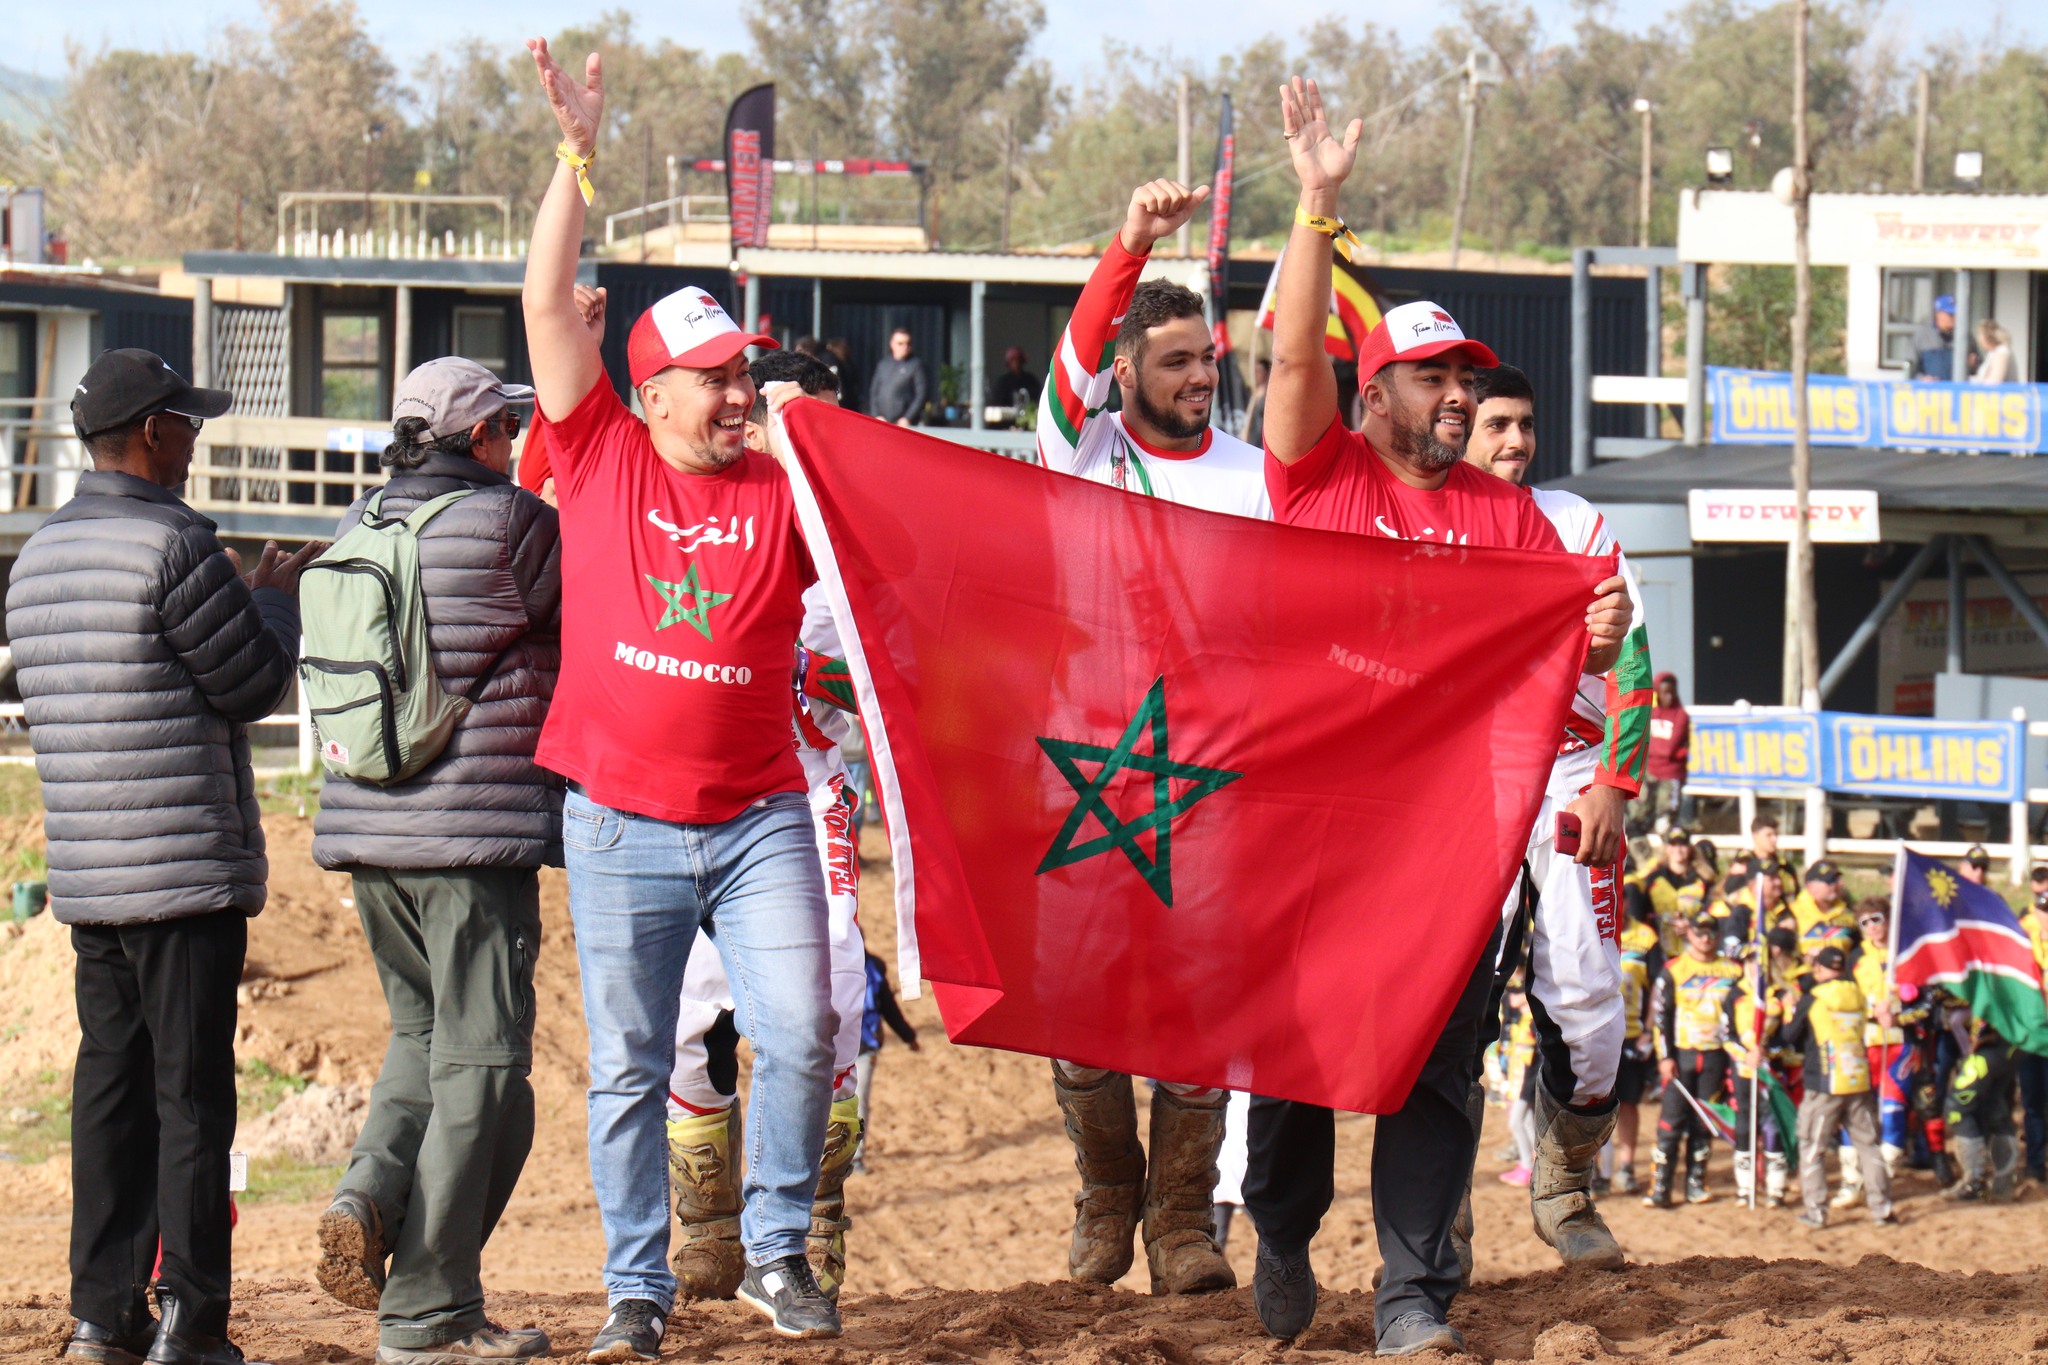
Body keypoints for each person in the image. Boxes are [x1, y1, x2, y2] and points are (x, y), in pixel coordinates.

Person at [1249, 77, 1635, 1358]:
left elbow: (1563, 660)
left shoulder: (1510, 518)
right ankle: (1281, 1227)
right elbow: (1290, 355)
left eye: (1465, 375)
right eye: (1431, 377)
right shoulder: (1316, 473)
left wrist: (1595, 644)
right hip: (1315, 830)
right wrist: (1315, 205)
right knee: (1299, 1064)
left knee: (1433, 1065)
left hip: (1447, 842)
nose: (1458, 394)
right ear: (1372, 397)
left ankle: (1412, 1294)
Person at [522, 38, 841, 1354]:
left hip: (760, 814)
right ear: (645, 394)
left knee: (804, 1030)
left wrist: (814, 442)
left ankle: (775, 1252)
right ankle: (637, 1290)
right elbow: (545, 301)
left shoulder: (786, 484)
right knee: (628, 1065)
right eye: (712, 378)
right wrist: (576, 156)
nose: (735, 393)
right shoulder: (596, 453)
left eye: (741, 374)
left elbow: (912, 536)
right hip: (617, 822)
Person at [7, 348, 320, 1365]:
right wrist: (273, 597)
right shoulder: (178, 545)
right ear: (151, 432)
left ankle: (102, 1315)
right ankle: (191, 1318)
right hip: (181, 868)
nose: (194, 438)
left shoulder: (37, 558)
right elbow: (252, 684)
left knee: (110, 1092)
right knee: (191, 1099)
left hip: (92, 873)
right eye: (187, 422)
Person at [1036, 177, 1264, 1300]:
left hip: (1214, 781)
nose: (1199, 376)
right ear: (1124, 373)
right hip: (1087, 767)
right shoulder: (1077, 452)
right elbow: (1070, 359)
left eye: (1207, 358)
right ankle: (1105, 1193)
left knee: (1198, 1012)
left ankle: (1180, 1221)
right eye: (1174, 361)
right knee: (1077, 1011)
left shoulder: (1257, 478)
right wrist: (1128, 241)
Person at [308, 359, 562, 1362]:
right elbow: (586, 621)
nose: (514, 440)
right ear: (482, 437)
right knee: (485, 1067)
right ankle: (429, 1310)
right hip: (471, 839)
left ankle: (368, 1193)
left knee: (419, 1036)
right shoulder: (510, 524)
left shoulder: (360, 521)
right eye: (507, 425)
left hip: (368, 834)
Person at [664, 349, 870, 1307]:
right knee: (688, 1015)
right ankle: (708, 1226)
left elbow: (912, 678)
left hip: (812, 793)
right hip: (702, 795)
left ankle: (812, 1220)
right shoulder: (710, 518)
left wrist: (836, 685)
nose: (814, 445)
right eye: (797, 425)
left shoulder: (863, 537)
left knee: (829, 1002)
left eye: (831, 429)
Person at [1460, 361, 1652, 1271]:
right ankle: (1435, 1212)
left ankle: (1567, 1182)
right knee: (1449, 1002)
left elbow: (1633, 650)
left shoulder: (1575, 520)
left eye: (1526, 423)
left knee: (1589, 997)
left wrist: (1615, 782)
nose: (1517, 440)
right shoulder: (1424, 518)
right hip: (1466, 781)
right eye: (1496, 423)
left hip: (1575, 771)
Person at [1780, 945, 1895, 1228]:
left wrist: (1788, 1010)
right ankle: (1882, 1209)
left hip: (1824, 1083)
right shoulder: (1858, 994)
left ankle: (1816, 1211)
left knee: (1812, 1147)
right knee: (1870, 1146)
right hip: (1858, 1079)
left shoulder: (1814, 998)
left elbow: (1790, 1036)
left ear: (1819, 969)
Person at [1645, 914, 1743, 1209]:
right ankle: (1661, 1186)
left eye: (1711, 933)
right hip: (1681, 1055)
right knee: (1671, 1121)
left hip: (1716, 1055)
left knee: (1704, 1121)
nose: (1705, 939)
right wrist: (1665, 1056)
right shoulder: (1674, 969)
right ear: (1689, 935)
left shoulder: (1733, 970)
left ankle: (1696, 1183)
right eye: (1699, 933)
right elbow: (1661, 1016)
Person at [854, 950, 921, 1176]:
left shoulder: (873, 968)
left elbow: (889, 1008)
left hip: (865, 1047)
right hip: (832, 1048)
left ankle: (856, 1157)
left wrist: (908, 1037)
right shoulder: (824, 961)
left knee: (859, 1101)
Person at [1943, 1016, 2022, 1201]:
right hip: (2013, 1045)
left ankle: (1974, 1182)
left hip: (1991, 1044)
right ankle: (2004, 1181)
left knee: (1957, 1108)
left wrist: (1978, 1038)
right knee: (1994, 1106)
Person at [2017, 868, 2048, 1185]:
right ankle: (2036, 1164)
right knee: (2033, 1101)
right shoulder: (2023, 944)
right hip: (2031, 1031)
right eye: (2043, 910)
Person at [1635, 673, 1688, 832]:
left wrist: (1653, 748)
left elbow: (1670, 748)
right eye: (1665, 693)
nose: (1669, 697)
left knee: (1664, 823)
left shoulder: (1681, 715)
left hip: (1670, 775)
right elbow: (1641, 742)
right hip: (1649, 772)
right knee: (1638, 817)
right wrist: (1659, 748)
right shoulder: (1650, 713)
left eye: (1672, 692)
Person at [867, 327, 928, 427]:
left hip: (903, 424)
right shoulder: (883, 365)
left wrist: (908, 417)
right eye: (900, 343)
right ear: (892, 344)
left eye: (908, 343)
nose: (905, 347)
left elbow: (921, 395)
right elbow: (874, 392)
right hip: (882, 422)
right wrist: (876, 415)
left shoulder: (915, 365)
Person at [1909, 294, 1962, 381]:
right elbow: (1910, 369)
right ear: (1938, 315)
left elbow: (1977, 369)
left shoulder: (1964, 337)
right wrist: (1922, 379)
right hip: (1930, 389)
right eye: (1950, 315)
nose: (1954, 318)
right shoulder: (1922, 336)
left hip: (1956, 389)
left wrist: (1973, 364)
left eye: (1956, 314)